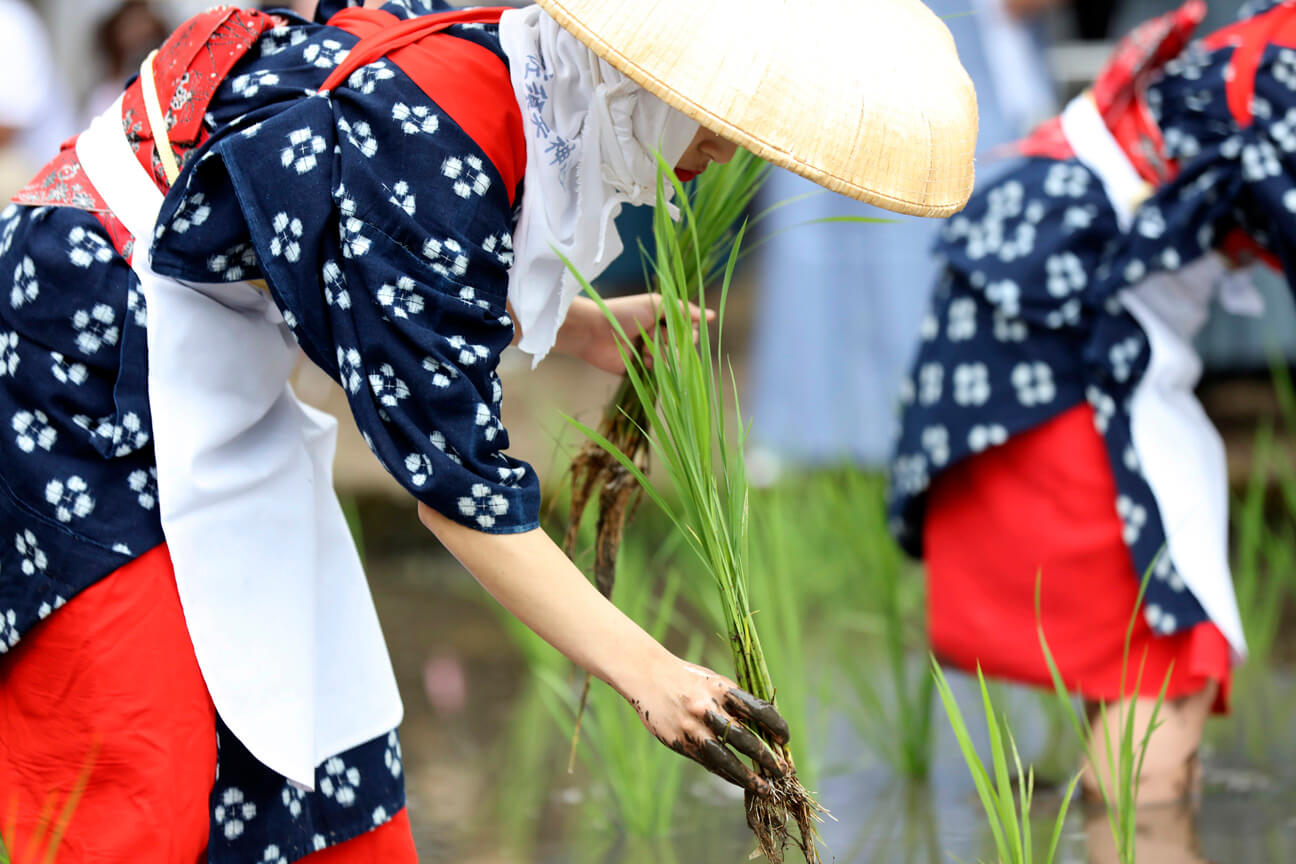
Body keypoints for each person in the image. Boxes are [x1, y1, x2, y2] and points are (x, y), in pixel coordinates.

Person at [0, 0, 977, 861]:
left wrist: (576, 325)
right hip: (72, 367)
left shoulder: (506, 84)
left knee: (316, 724)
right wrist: (654, 675)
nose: (729, 149)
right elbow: (462, 498)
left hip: (204, 363)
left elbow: (371, 274)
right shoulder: (432, 143)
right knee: (135, 753)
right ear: (631, 77)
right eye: (718, 116)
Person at [890, 0, 1296, 806]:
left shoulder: (1270, 46)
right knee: (1164, 652)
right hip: (1058, 349)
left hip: (1029, 333)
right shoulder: (1283, 66)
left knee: (1136, 655)